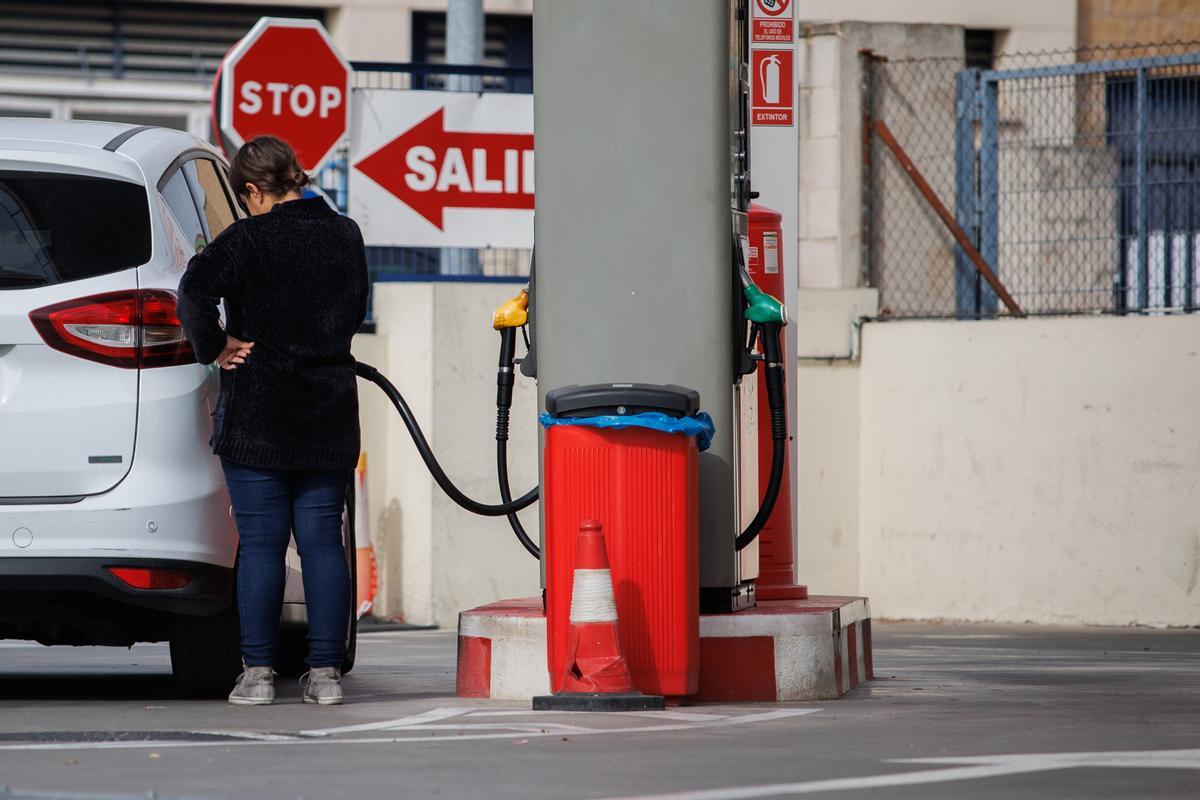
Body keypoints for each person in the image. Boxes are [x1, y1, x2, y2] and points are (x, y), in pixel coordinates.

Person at [177, 136, 368, 706]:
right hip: (327, 408)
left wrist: (217, 344)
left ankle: (258, 676)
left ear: (255, 191)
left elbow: (193, 293)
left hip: (259, 410)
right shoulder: (345, 233)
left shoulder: (245, 239)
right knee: (322, 545)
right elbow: (354, 306)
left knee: (261, 546)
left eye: (247, 198)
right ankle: (327, 676)